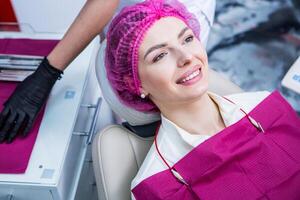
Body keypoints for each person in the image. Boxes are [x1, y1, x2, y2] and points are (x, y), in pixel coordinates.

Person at [103, 0, 300, 199]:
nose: (186, 57)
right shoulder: (155, 185)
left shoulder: (266, 108)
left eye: (187, 39)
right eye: (160, 55)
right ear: (135, 84)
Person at [0, 0, 216, 143]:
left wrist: (47, 72)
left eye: (188, 40)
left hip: (170, 11)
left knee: (174, 92)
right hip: (126, 8)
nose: (186, 56)